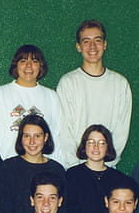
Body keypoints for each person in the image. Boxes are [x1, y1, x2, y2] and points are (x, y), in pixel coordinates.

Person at [56, 20, 132, 167]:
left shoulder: (120, 83)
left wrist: (107, 164)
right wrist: (75, 165)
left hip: (107, 167)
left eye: (97, 40)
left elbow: (121, 130)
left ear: (105, 44)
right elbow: (64, 131)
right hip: (75, 168)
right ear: (78, 47)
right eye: (86, 41)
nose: (92, 46)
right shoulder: (68, 82)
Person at [0, 44, 62, 163]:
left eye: (34, 61)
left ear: (40, 66)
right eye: (23, 61)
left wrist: (57, 166)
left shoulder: (51, 96)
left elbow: (56, 135)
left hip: (42, 168)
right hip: (7, 165)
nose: (29, 66)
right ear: (16, 65)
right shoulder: (0, 94)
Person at [0, 113, 65, 213]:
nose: (32, 142)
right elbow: (1, 212)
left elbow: (62, 211)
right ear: (21, 138)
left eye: (37, 136)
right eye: (27, 136)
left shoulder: (57, 169)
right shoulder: (8, 167)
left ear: (46, 137)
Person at [64, 124, 131, 213]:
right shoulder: (72, 175)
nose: (96, 147)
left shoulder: (118, 178)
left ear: (108, 147)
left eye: (101, 143)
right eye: (91, 142)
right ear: (84, 145)